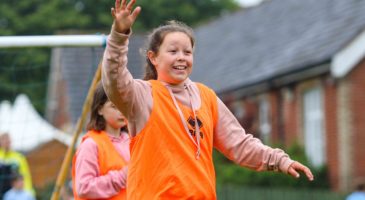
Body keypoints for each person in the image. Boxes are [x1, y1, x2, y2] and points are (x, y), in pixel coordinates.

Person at [102, 0, 314, 199]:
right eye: (173, 51)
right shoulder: (142, 95)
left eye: (187, 52)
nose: (181, 57)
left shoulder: (206, 97)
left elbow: (239, 144)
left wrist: (279, 160)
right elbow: (114, 79)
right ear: (153, 57)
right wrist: (119, 35)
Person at [72, 82, 130, 200]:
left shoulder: (132, 141)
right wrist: (122, 177)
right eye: (114, 106)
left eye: (124, 104)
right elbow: (84, 187)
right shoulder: (91, 144)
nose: (121, 111)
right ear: (99, 109)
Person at [0, 133, 35, 197]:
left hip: (14, 193)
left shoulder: (19, 157)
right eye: (4, 141)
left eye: (8, 141)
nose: (7, 143)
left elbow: (25, 175)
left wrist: (28, 191)